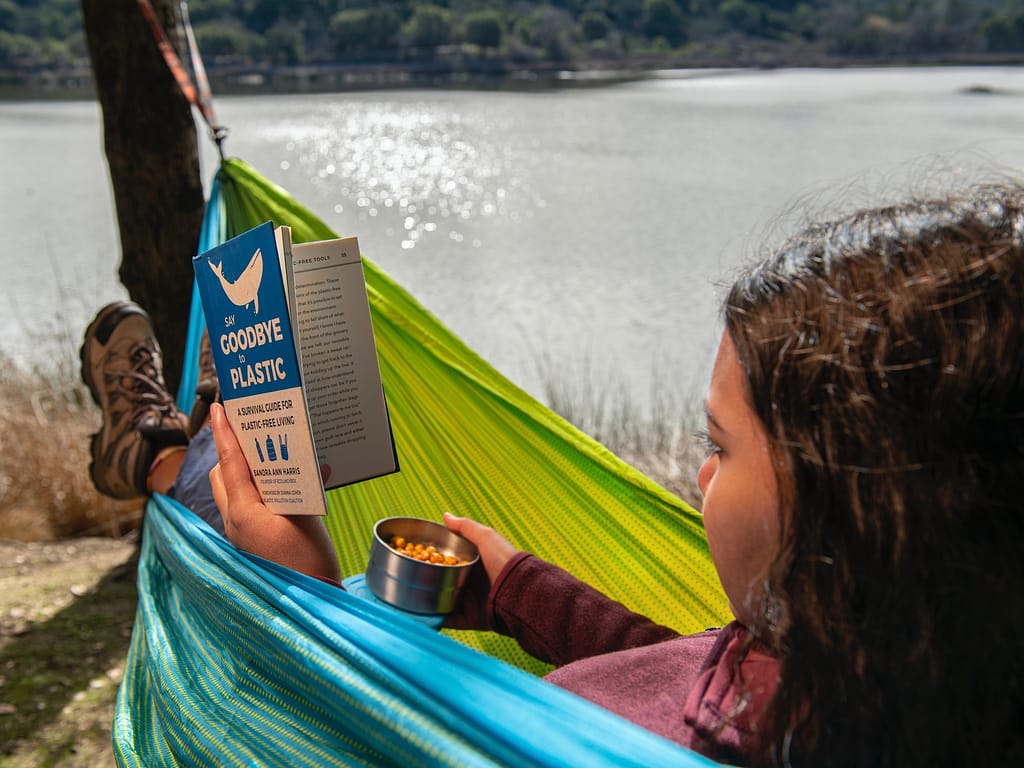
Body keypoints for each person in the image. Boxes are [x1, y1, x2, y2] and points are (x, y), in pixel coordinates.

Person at [82, 181, 1024, 767]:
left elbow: (340, 745)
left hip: (364, 675)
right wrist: (520, 592)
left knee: (220, 494)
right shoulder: (830, 662)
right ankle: (179, 436)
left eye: (720, 445)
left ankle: (165, 449)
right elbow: (674, 663)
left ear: (857, 513)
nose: (699, 477)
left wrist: (303, 598)